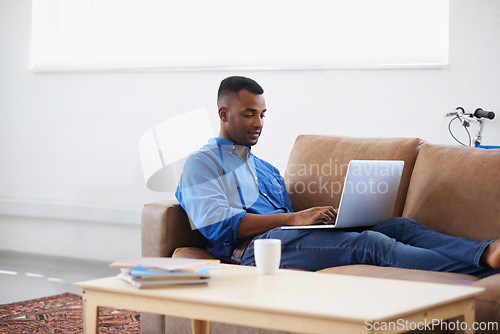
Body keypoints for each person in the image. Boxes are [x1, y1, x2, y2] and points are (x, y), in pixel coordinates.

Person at [176, 75, 500, 278]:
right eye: (249, 114)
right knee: (371, 244)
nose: (258, 122)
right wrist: (293, 219)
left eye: (262, 114)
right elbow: (216, 225)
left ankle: (484, 251)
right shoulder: (202, 163)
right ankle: (481, 271)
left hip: (285, 238)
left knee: (398, 226)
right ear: (223, 114)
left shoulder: (265, 169)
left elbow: (291, 222)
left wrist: (329, 217)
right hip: (253, 251)